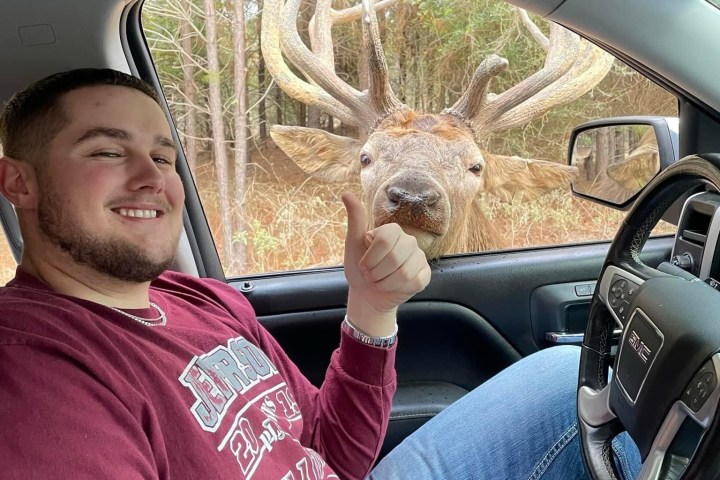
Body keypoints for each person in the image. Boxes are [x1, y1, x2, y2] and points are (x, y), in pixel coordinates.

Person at [0, 68, 641, 480]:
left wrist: (371, 308)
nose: (152, 178)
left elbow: (332, 451)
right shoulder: (35, 372)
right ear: (17, 183)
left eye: (164, 155)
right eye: (108, 152)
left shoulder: (201, 301)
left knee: (575, 381)